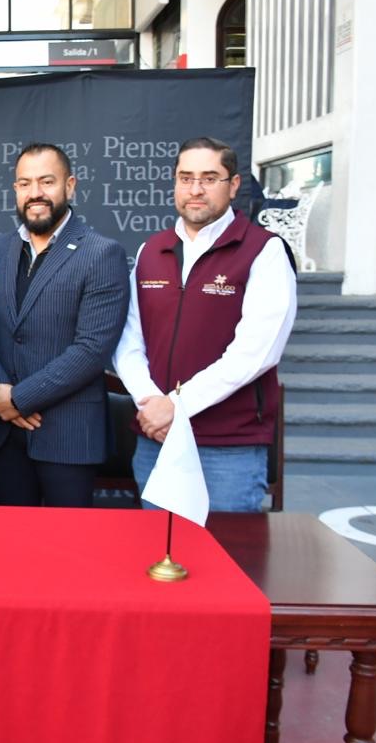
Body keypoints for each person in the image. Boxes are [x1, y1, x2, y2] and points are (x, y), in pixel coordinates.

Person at [114, 136, 297, 512]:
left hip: (227, 447)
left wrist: (175, 406)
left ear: (233, 185)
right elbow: (128, 339)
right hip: (157, 439)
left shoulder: (264, 251)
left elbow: (255, 353)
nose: (195, 189)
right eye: (186, 178)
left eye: (209, 178)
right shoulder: (152, 251)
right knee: (157, 545)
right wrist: (151, 403)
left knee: (224, 548)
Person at [0, 143, 129, 507]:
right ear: (15, 190)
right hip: (3, 432)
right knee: (10, 539)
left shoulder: (101, 253)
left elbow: (91, 350)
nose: (35, 193)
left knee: (69, 540)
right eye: (25, 183)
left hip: (68, 435)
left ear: (69, 186)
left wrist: (20, 399)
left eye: (47, 181)